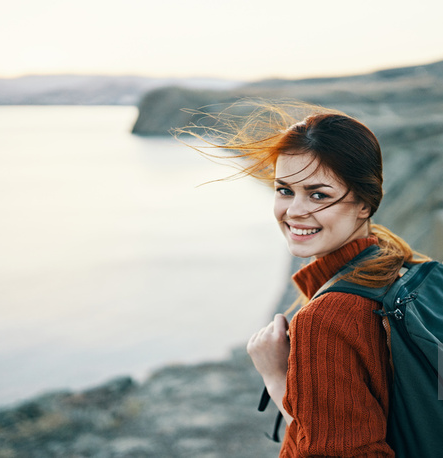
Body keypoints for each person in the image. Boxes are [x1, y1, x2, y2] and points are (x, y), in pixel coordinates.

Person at [176, 101, 428, 457]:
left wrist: (276, 377)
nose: (294, 211)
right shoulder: (405, 269)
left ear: (365, 204)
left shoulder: (326, 320)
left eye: (318, 194)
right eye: (284, 190)